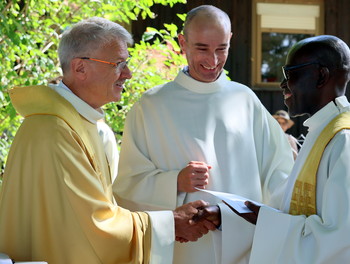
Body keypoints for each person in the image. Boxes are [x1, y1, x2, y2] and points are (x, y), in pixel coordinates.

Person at [0, 17, 216, 264]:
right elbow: (92, 226)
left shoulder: (84, 123)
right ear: (80, 68)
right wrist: (169, 224)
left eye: (127, 63)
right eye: (118, 64)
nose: (128, 73)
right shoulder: (54, 131)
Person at [114, 5, 294, 264]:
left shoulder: (245, 100)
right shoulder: (151, 106)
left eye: (221, 49)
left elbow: (279, 174)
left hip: (244, 245)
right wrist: (174, 182)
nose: (213, 61)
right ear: (182, 43)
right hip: (184, 250)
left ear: (230, 40)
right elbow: (127, 186)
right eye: (202, 49)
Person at [235, 35, 350, 263]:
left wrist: (270, 223)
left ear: (321, 76)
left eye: (291, 74)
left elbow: (340, 240)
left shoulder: (343, 141)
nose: (283, 84)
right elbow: (287, 203)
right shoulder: (321, 133)